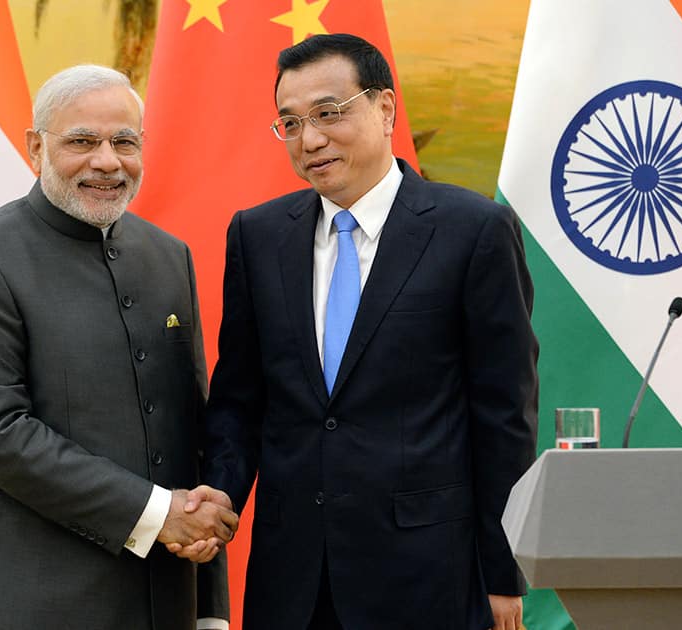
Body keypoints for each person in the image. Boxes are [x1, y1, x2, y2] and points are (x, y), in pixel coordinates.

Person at [179, 34, 539, 630]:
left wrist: (502, 574)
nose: (310, 140)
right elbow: (240, 401)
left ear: (386, 109)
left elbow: (505, 415)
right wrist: (220, 496)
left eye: (328, 113)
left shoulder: (473, 231)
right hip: (291, 580)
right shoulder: (257, 236)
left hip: (429, 576)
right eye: (290, 124)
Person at [0, 65, 236, 630]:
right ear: (35, 147)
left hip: (162, 600)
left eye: (124, 141)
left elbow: (189, 431)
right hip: (29, 599)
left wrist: (209, 609)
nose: (107, 161)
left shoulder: (168, 256)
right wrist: (155, 514)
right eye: (82, 142)